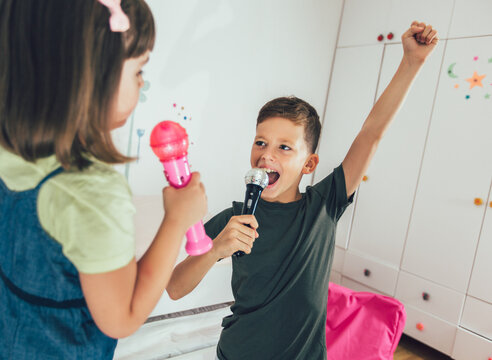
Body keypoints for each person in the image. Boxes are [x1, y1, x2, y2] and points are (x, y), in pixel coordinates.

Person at [167, 21, 438, 360]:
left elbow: (371, 134)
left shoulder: (324, 204)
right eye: (261, 142)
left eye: (284, 148)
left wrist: (412, 63)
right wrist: (215, 248)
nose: (266, 154)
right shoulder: (234, 218)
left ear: (309, 165)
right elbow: (175, 288)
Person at [0, 0, 207, 358]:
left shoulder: (14, 145)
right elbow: (122, 317)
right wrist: (176, 221)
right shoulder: (93, 194)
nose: (142, 83)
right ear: (89, 78)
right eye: (139, 70)